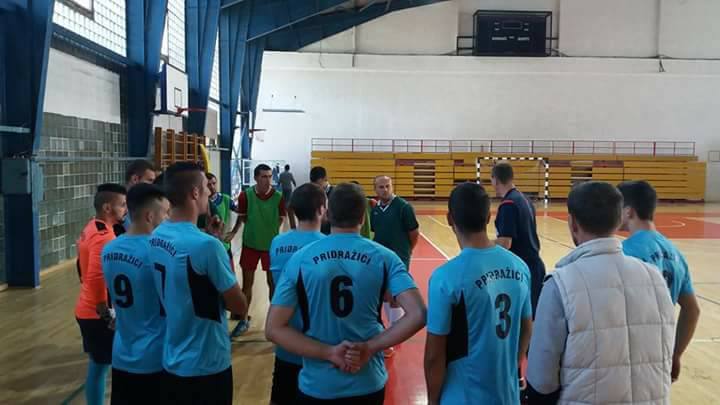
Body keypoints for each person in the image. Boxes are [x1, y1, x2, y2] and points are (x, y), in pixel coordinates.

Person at [266, 183, 427, 405]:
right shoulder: (385, 257)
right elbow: (418, 314)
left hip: (318, 384)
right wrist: (370, 347)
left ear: (328, 214)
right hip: (367, 380)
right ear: (363, 217)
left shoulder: (301, 258)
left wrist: (329, 353)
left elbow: (273, 328)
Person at [526, 182, 675, 404]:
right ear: (619, 219)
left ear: (572, 223)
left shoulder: (560, 284)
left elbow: (542, 380)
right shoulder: (655, 278)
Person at [148, 162, 248, 405]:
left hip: (172, 358)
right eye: (205, 186)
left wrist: (211, 237)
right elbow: (239, 306)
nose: (209, 192)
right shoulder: (207, 246)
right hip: (206, 363)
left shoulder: (157, 235)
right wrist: (217, 247)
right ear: (194, 193)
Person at [424, 183, 533, 405]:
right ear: (489, 217)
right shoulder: (519, 267)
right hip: (507, 396)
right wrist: (512, 365)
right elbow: (527, 327)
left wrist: (433, 401)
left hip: (463, 397)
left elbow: (434, 355)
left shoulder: (446, 277)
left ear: (450, 219)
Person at [618, 180, 700, 382]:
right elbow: (692, 310)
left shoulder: (625, 251)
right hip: (662, 351)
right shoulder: (675, 253)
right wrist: (676, 353)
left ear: (628, 212)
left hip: (630, 351)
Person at [102, 183, 170, 405]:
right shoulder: (157, 251)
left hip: (121, 355)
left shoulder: (109, 249)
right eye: (165, 212)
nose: (167, 218)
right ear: (150, 216)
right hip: (154, 357)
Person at [268, 183, 327, 405]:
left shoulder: (277, 242)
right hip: (318, 345)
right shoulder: (326, 245)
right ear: (321, 209)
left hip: (286, 343)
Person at [75, 183, 127, 405]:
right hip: (96, 314)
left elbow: (81, 266)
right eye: (122, 205)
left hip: (86, 307)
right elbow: (97, 276)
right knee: (100, 368)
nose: (125, 209)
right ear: (107, 207)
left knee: (98, 366)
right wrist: (105, 312)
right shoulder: (104, 237)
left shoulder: (92, 226)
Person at [227, 164, 287, 337]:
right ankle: (243, 320)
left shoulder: (279, 197)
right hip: (250, 245)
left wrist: (269, 231)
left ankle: (274, 322)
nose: (268, 180)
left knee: (272, 284)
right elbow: (242, 218)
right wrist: (235, 232)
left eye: (269, 176)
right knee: (247, 285)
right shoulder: (245, 196)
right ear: (255, 178)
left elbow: (281, 219)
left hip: (271, 247)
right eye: (264, 176)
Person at [371, 175, 419, 356]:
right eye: (381, 187)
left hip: (399, 257)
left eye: (387, 186)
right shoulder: (375, 210)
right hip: (379, 258)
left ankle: (395, 333)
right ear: (375, 189)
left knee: (394, 295)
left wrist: (407, 251)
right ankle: (392, 330)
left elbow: (414, 233)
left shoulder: (403, 207)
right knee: (384, 293)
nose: (385, 190)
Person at [491, 162, 546, 317]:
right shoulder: (525, 200)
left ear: (495, 180)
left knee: (522, 319)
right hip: (534, 266)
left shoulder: (508, 204)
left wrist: (483, 244)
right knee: (532, 318)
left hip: (522, 270)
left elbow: (505, 243)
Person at [207, 172, 237, 258]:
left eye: (214, 183)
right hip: (206, 246)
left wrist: (234, 231)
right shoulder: (200, 202)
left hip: (224, 245)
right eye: (208, 185)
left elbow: (241, 212)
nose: (212, 187)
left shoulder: (225, 199)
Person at [122, 160, 157, 230]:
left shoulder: (146, 203)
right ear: (135, 179)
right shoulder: (119, 206)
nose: (152, 185)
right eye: (149, 180)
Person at [310, 166, 333, 235]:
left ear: (325, 178)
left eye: (319, 183)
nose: (316, 187)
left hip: (330, 231)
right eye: (314, 184)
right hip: (314, 231)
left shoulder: (335, 193)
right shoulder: (310, 193)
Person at [278, 164, 297, 229]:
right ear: (288, 168)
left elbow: (279, 181)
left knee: (284, 200)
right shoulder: (290, 174)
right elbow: (293, 180)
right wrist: (295, 184)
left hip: (284, 188)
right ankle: (288, 211)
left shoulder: (281, 174)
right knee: (288, 200)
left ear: (284, 168)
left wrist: (278, 186)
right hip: (289, 188)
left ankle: (285, 212)